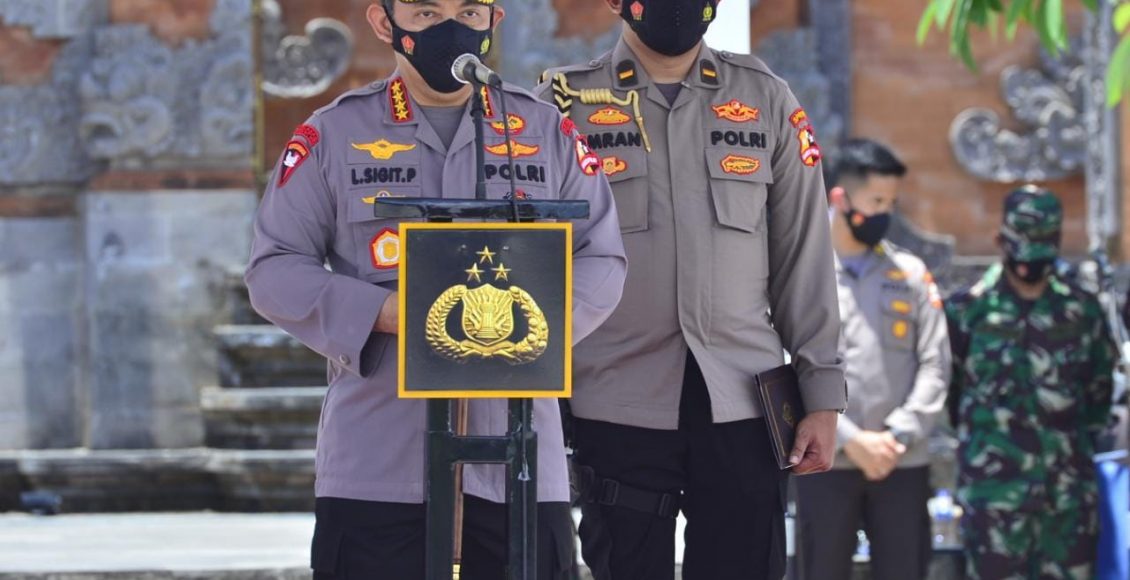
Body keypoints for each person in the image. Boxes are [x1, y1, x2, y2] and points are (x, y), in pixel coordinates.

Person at [244, 1, 628, 578]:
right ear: (385, 23)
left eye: (469, 11)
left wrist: (532, 327)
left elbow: (602, 256)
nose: (451, 27)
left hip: (519, 455)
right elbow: (274, 267)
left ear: (494, 20)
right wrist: (385, 312)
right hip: (379, 457)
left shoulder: (545, 129)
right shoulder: (334, 133)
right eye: (426, 12)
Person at [536, 1, 846, 578]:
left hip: (743, 400)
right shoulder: (561, 105)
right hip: (612, 396)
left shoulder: (765, 97)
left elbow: (803, 256)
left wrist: (822, 395)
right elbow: (532, 259)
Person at [793, 139, 950, 580]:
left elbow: (936, 364)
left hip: (900, 459)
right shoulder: (801, 273)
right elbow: (785, 360)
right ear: (840, 198)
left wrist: (896, 434)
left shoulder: (910, 274)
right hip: (825, 458)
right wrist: (849, 437)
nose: (885, 213)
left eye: (892, 203)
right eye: (876, 202)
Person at [945, 185, 1115, 580]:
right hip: (994, 496)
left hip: (1066, 498)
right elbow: (952, 393)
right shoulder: (968, 310)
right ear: (1000, 240)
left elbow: (1099, 392)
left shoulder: (1081, 310)